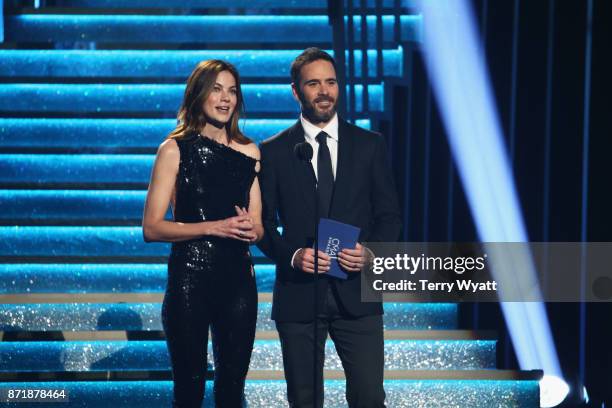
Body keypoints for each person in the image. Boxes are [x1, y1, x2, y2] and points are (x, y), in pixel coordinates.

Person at [257, 48, 402, 408]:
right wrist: (292, 256)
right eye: (313, 83)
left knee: (369, 397)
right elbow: (262, 224)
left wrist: (369, 252)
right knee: (304, 400)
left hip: (357, 292)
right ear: (296, 91)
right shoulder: (273, 151)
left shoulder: (370, 145)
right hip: (299, 296)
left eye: (331, 82)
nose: (324, 91)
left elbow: (390, 216)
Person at [142, 59, 263, 407]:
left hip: (239, 281)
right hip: (190, 279)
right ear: (198, 95)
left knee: (231, 385)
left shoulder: (249, 151)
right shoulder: (174, 149)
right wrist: (214, 227)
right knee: (190, 385)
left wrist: (251, 228)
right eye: (216, 89)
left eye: (232, 91)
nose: (225, 99)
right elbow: (152, 227)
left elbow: (257, 225)